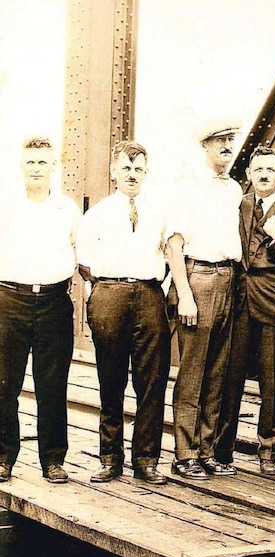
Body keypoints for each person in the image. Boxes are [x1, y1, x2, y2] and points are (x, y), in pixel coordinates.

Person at [77, 141, 171, 485]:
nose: (132, 175)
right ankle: (110, 458)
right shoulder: (97, 214)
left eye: (138, 169)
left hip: (148, 293)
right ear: (114, 171)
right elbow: (85, 264)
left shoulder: (159, 210)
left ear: (146, 173)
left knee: (151, 380)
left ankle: (146, 458)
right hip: (110, 293)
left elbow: (171, 250)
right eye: (126, 168)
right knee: (111, 379)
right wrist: (107, 291)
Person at [217, 146, 275, 474]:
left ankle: (269, 450)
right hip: (240, 302)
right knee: (231, 377)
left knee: (272, 383)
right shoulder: (236, 206)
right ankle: (222, 450)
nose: (263, 175)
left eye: (270, 170)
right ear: (249, 174)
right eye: (258, 169)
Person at [166, 118, 243, 480]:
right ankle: (185, 453)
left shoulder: (233, 189)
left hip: (229, 278)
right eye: (220, 140)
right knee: (193, 372)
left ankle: (207, 450)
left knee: (217, 371)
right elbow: (174, 243)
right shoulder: (188, 186)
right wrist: (184, 294)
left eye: (230, 139)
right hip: (200, 277)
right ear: (205, 145)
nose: (227, 146)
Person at [0, 136, 79, 484]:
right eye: (30, 162)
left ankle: (53, 460)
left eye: (43, 163)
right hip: (9, 301)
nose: (36, 169)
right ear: (21, 167)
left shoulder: (67, 209)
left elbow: (82, 253)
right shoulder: (5, 205)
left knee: (52, 385)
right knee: (4, 386)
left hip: (53, 302)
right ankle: (3, 458)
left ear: (53, 167)